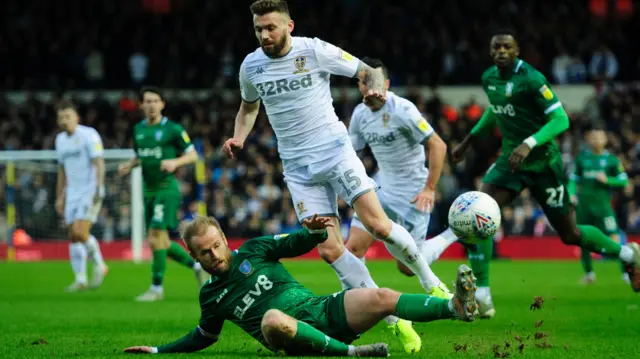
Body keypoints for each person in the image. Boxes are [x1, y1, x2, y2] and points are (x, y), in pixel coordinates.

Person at [222, 0, 450, 352]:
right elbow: (248, 107)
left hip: (335, 152)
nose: (264, 35)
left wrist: (374, 87)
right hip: (298, 169)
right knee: (330, 250)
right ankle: (394, 320)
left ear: (289, 26)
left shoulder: (314, 50)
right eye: (258, 29)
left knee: (377, 225)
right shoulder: (251, 66)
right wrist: (239, 136)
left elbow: (365, 70)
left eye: (271, 28)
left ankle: (431, 281)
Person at [451, 29, 640, 298]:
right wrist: (469, 139)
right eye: (497, 48)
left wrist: (529, 143)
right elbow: (496, 109)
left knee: (570, 233)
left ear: (517, 51)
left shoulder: (531, 79)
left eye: (507, 47)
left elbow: (561, 119)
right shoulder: (489, 78)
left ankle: (627, 253)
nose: (502, 52)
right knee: (478, 211)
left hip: (543, 163)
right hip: (511, 161)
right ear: (490, 52)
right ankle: (482, 294)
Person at [123, 214, 479, 357]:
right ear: (194, 256)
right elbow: (205, 335)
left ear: (223, 238)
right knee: (273, 318)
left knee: (383, 296)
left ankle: (455, 308)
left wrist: (314, 230)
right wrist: (158, 351)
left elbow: (296, 243)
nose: (214, 255)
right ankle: (352, 354)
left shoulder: (255, 249)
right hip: (289, 336)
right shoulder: (211, 296)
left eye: (216, 245)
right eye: (204, 252)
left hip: (321, 311)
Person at [118, 87, 209, 301]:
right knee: (163, 243)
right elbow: (141, 157)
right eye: (147, 101)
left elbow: (193, 156)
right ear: (141, 105)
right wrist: (129, 165)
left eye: (155, 101)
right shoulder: (138, 130)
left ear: (162, 104)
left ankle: (156, 289)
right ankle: (196, 266)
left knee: (154, 237)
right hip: (147, 191)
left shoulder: (173, 129)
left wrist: (175, 162)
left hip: (166, 189)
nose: (151, 105)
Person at [55, 100, 108, 291]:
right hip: (72, 193)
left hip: (89, 190)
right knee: (73, 236)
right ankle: (80, 278)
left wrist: (99, 188)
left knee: (80, 232)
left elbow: (99, 162)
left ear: (76, 118)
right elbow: (62, 171)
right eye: (61, 118)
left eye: (67, 116)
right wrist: (59, 196)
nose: (64, 120)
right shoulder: (60, 140)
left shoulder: (89, 135)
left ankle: (100, 265)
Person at [568, 124, 630, 284]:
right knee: (582, 238)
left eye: (599, 137)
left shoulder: (611, 160)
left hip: (603, 207)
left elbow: (623, 181)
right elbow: (573, 180)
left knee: (614, 237)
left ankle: (625, 272)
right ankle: (589, 274)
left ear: (605, 139)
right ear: (588, 139)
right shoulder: (582, 158)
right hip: (584, 207)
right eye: (593, 137)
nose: (596, 140)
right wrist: (571, 194)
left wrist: (608, 180)